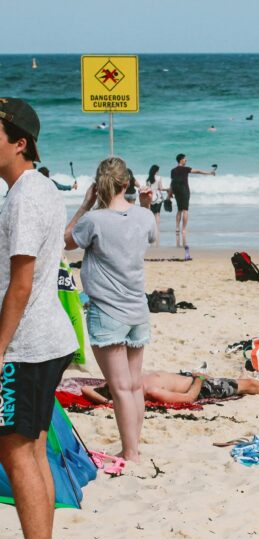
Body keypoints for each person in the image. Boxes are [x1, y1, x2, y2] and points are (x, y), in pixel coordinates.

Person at [0, 99, 80, 539]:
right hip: (46, 338)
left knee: (14, 450)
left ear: (19, 141)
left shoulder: (26, 196)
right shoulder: (37, 188)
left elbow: (22, 282)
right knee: (28, 448)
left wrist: (0, 346)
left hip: (27, 343)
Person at [64, 157, 157, 463]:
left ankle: (130, 452)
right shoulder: (143, 217)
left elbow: (66, 242)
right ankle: (133, 447)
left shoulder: (94, 220)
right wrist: (144, 205)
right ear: (127, 183)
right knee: (133, 385)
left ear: (98, 185)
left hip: (107, 311)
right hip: (137, 309)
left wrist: (83, 205)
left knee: (120, 388)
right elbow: (152, 235)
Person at [82, 370, 259, 407]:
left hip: (192, 377)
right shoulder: (151, 391)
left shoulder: (133, 378)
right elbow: (188, 398)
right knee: (251, 386)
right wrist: (199, 378)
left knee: (246, 383)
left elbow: (85, 389)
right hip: (200, 387)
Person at [169, 153, 215, 256]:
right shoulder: (185, 169)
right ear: (181, 160)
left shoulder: (173, 170)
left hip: (176, 191)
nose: (186, 161)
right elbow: (198, 171)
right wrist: (209, 173)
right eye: (185, 159)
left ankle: (177, 227)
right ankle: (184, 229)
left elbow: (172, 183)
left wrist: (170, 194)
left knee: (179, 209)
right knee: (185, 210)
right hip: (184, 190)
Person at [144, 165, 165, 242]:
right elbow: (161, 188)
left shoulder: (148, 179)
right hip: (158, 197)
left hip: (150, 198)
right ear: (156, 171)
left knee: (152, 213)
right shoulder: (159, 178)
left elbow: (147, 189)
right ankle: (157, 229)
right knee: (158, 213)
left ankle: (152, 228)